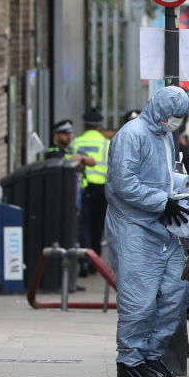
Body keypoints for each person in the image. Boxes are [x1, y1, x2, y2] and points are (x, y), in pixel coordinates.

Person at [105, 86, 189, 377]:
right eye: (173, 116)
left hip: (161, 227)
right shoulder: (132, 135)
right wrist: (161, 202)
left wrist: (176, 195)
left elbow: (162, 176)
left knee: (177, 292)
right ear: (159, 111)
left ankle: (149, 354)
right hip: (133, 228)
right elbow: (122, 183)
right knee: (139, 301)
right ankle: (129, 363)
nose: (175, 121)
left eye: (180, 116)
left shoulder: (163, 135)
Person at [73, 108, 111, 276]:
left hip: (82, 189)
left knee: (83, 227)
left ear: (85, 125)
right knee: (98, 227)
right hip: (101, 191)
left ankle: (84, 261)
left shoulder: (76, 143)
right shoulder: (106, 143)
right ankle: (95, 262)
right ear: (99, 126)